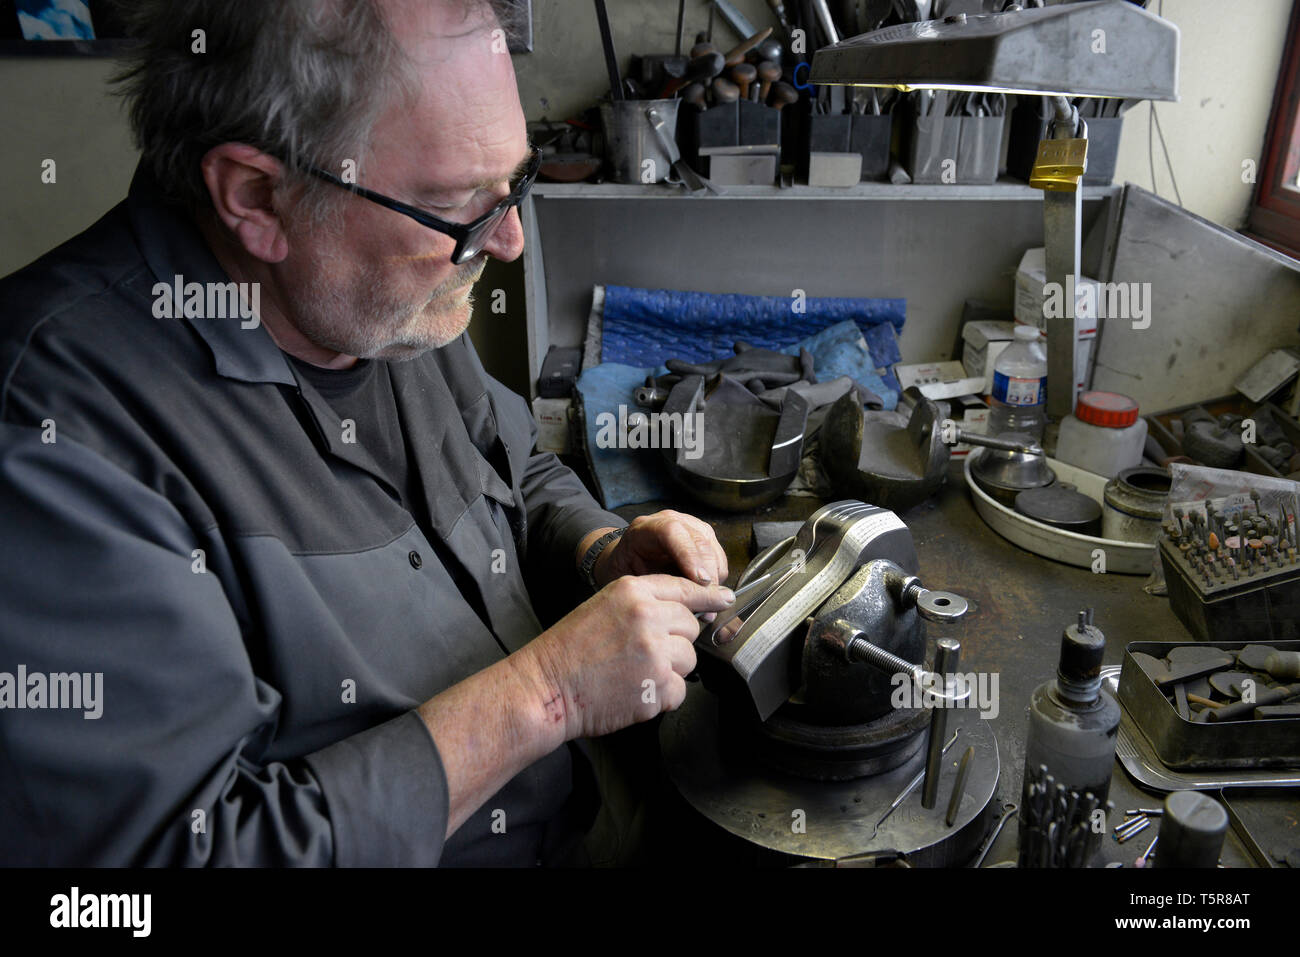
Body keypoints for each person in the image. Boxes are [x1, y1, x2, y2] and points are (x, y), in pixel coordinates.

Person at [0, 0, 732, 866]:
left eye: (517, 186)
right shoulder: (56, 436)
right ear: (257, 195)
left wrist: (601, 554)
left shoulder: (380, 301)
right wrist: (552, 695)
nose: (507, 242)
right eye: (461, 206)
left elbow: (518, 474)